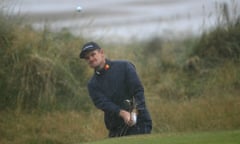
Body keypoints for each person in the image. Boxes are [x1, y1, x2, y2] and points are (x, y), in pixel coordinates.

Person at [79, 41, 152, 137]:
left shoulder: (124, 66)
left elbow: (138, 90)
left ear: (101, 52)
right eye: (87, 58)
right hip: (116, 128)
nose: (91, 59)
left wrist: (135, 111)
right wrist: (122, 113)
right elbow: (103, 103)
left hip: (139, 123)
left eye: (93, 54)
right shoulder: (92, 84)